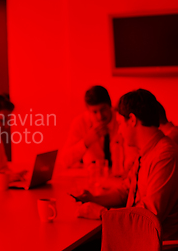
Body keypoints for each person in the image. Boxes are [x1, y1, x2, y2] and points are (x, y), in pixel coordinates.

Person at [74, 89, 178, 241]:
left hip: (156, 250)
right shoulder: (147, 151)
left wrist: (102, 213)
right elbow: (126, 191)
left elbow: (150, 216)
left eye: (120, 123)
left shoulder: (165, 156)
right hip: (138, 239)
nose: (120, 130)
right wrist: (94, 200)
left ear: (132, 120)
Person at [60, 85, 136, 174]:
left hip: (121, 178)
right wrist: (86, 142)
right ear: (88, 110)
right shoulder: (80, 122)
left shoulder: (122, 121)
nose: (100, 116)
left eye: (103, 109)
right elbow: (65, 161)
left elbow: (132, 158)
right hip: (93, 180)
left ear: (110, 105)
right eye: (94, 112)